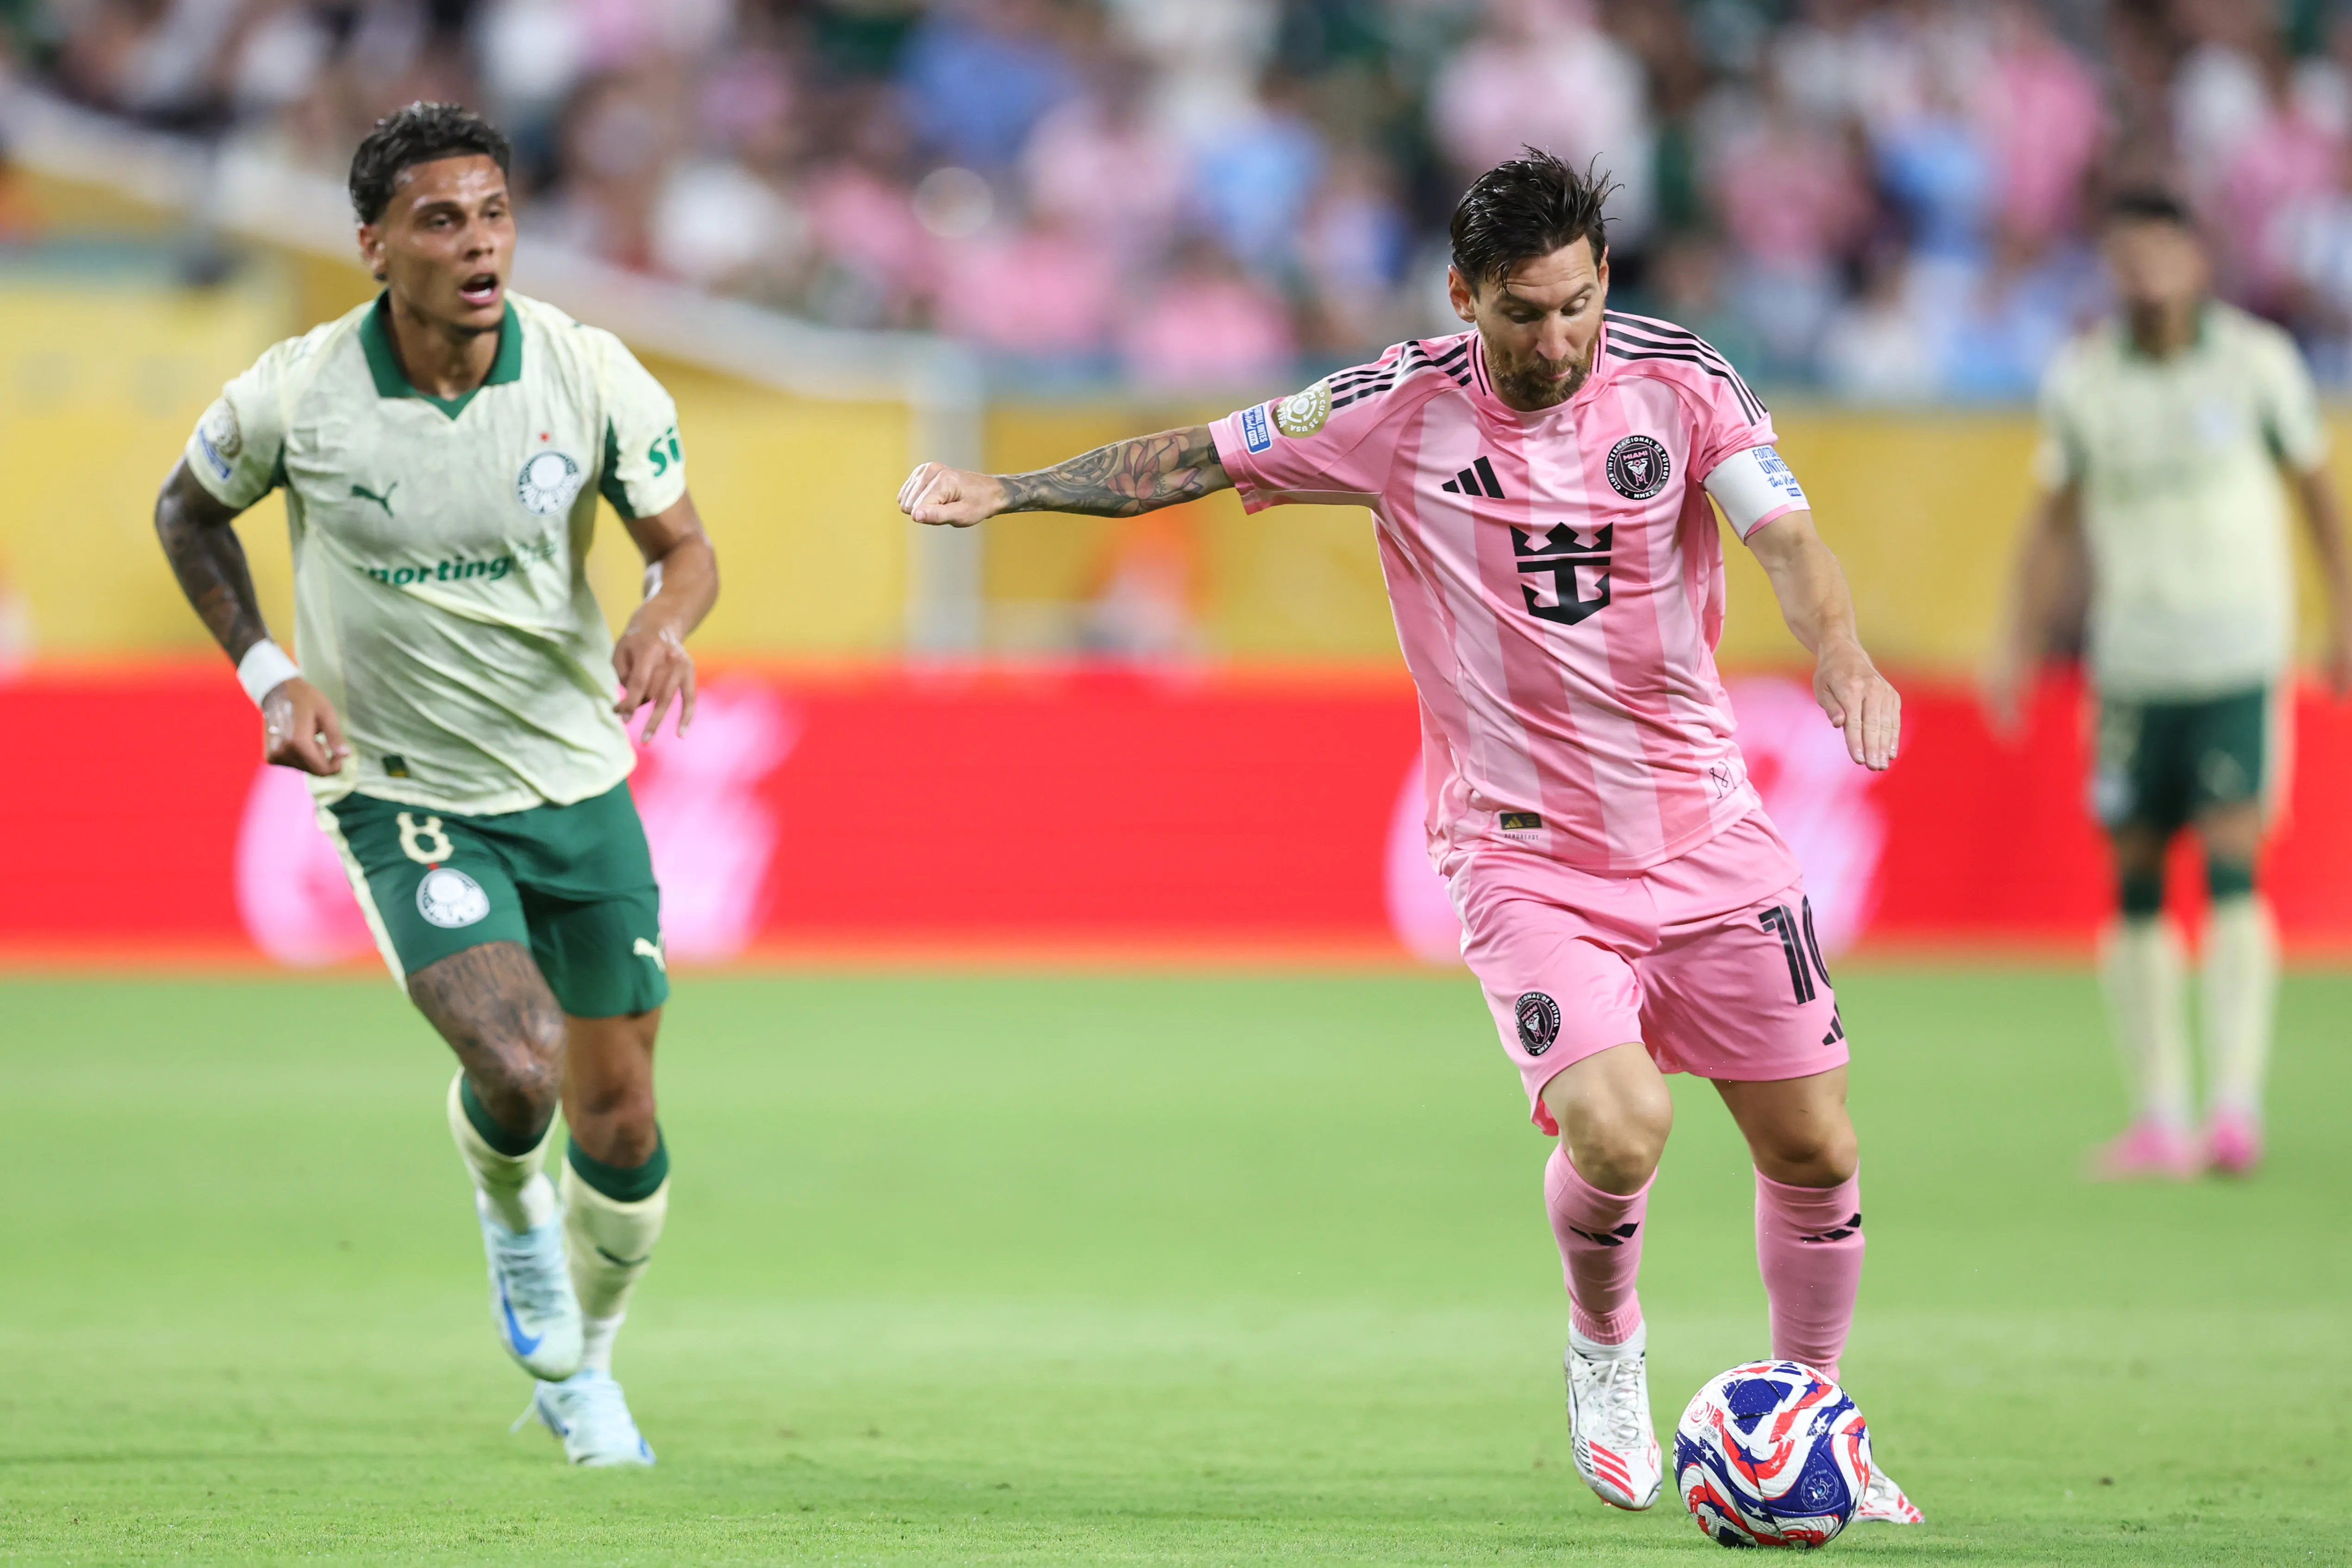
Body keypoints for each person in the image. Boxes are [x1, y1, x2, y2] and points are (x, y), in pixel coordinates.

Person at [897, 149, 1921, 1525]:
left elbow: (1786, 540)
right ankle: (1604, 1345)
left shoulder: (1684, 379)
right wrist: (1012, 492)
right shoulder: (1393, 407)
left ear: (1603, 279)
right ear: (1463, 296)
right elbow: (1193, 457)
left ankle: (1818, 1414)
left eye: (1575, 306)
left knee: (1817, 1149)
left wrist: (1844, 655)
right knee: (1623, 1129)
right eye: (1522, 312)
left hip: (1706, 832)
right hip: (1522, 853)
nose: (1555, 341)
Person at [152, 103, 718, 1465]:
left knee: (621, 1113)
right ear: (374, 247)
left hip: (577, 780)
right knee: (518, 1064)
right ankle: (516, 1230)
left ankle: (587, 1365)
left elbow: (685, 545)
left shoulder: (587, 374)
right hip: (403, 784)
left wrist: (663, 617)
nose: (480, 245)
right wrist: (269, 672)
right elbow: (185, 511)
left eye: (495, 214)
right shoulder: (298, 393)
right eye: (441, 219)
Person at [1986, 187, 2352, 1180]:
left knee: (2233, 862)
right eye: (2126, 249)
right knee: (2134, 876)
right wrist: (2014, 638)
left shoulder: (2256, 364)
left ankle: (2233, 1105)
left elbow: (2317, 492)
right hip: (2132, 663)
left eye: (2160, 246)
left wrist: (2340, 614)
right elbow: (2050, 517)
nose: (2144, 266)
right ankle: (2158, 1113)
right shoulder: (2083, 380)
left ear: (2196, 258)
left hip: (2234, 651)